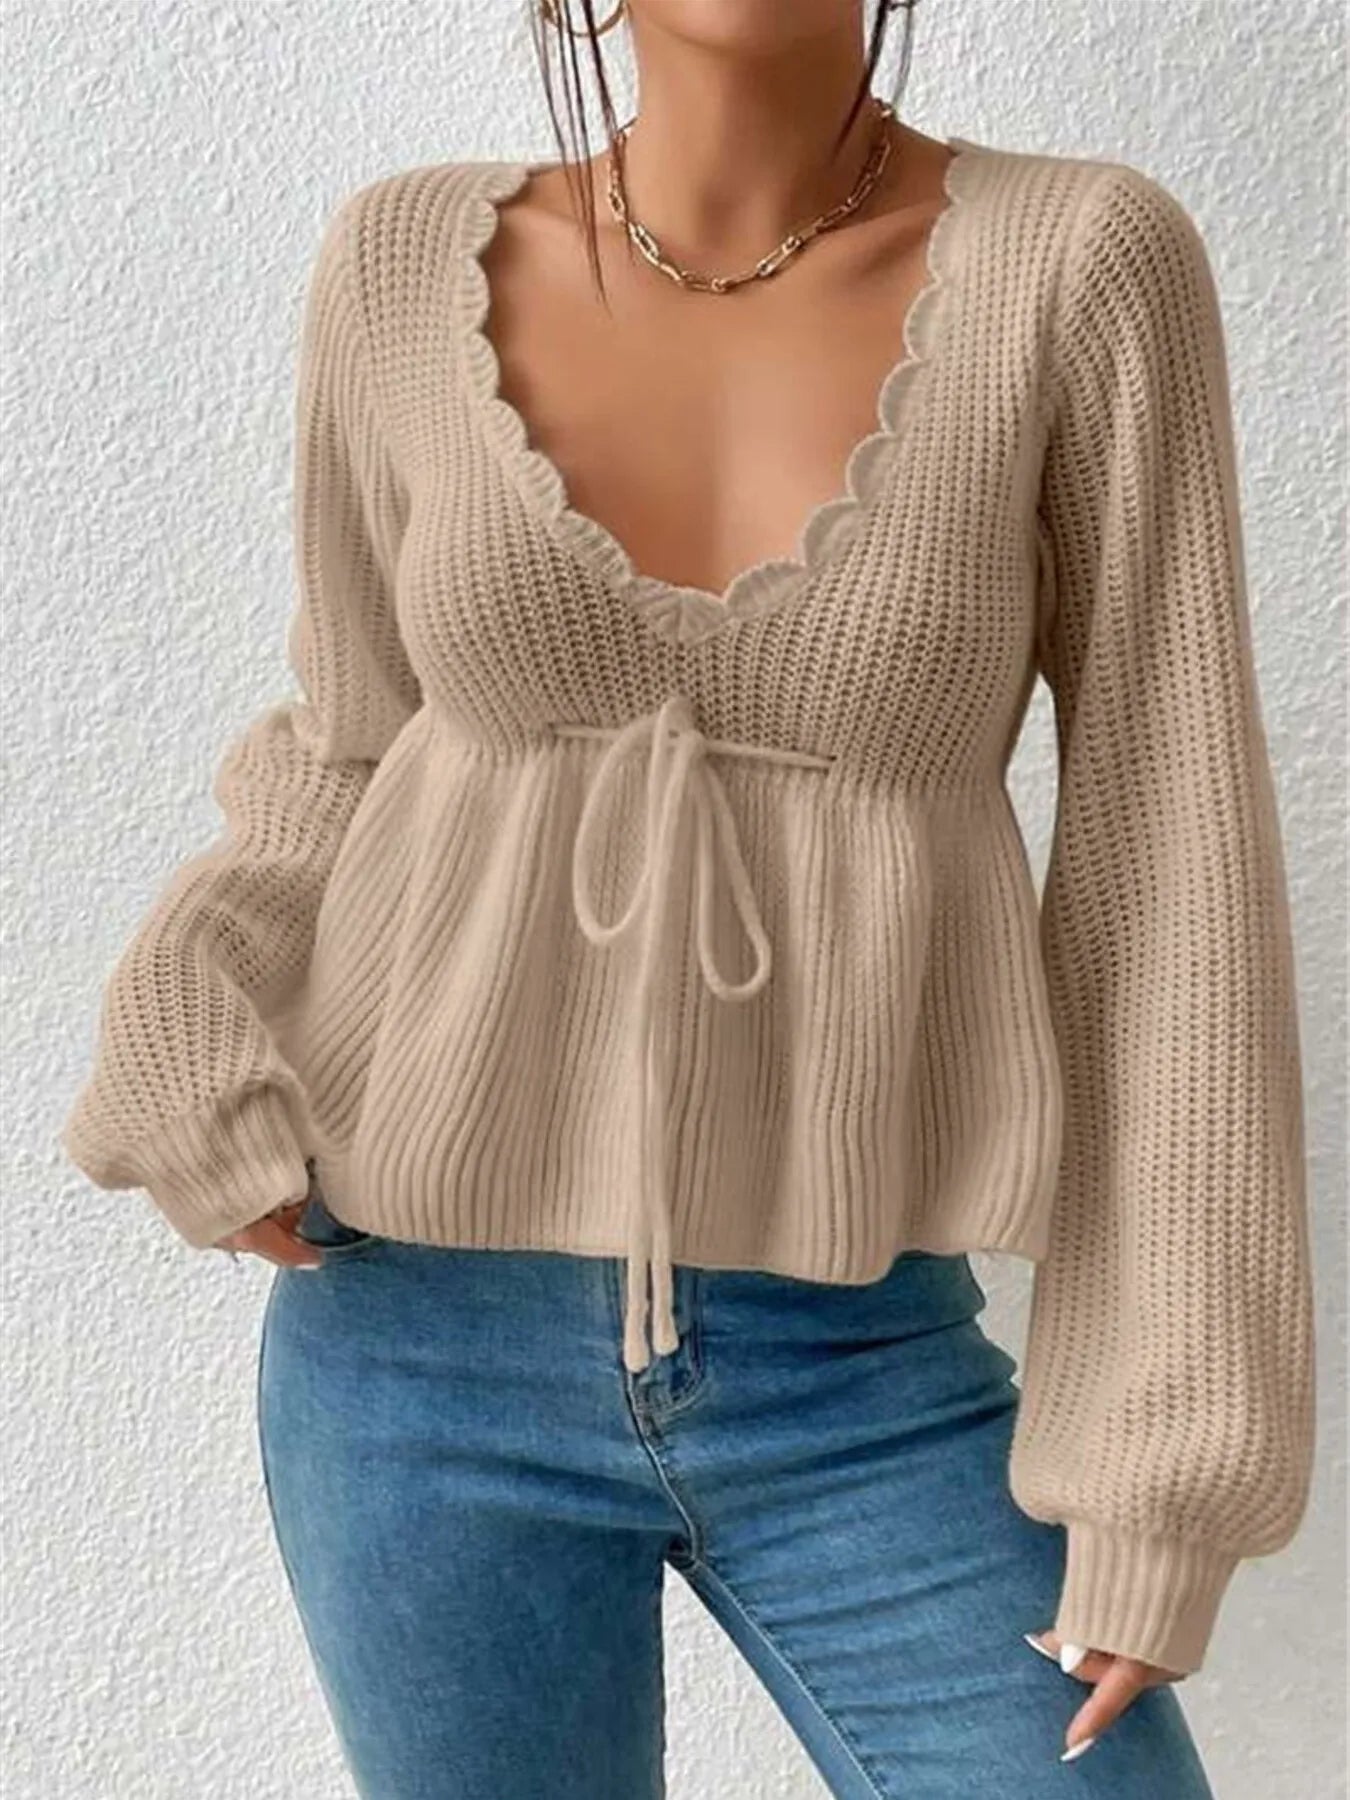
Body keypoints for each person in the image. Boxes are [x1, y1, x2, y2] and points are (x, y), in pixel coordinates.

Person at [60, 2, 1315, 1794]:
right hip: (411, 1346)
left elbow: (1168, 867)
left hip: (858, 1358)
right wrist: (187, 1006)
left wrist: (1159, 1468)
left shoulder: (1081, 261)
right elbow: (348, 749)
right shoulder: (399, 263)